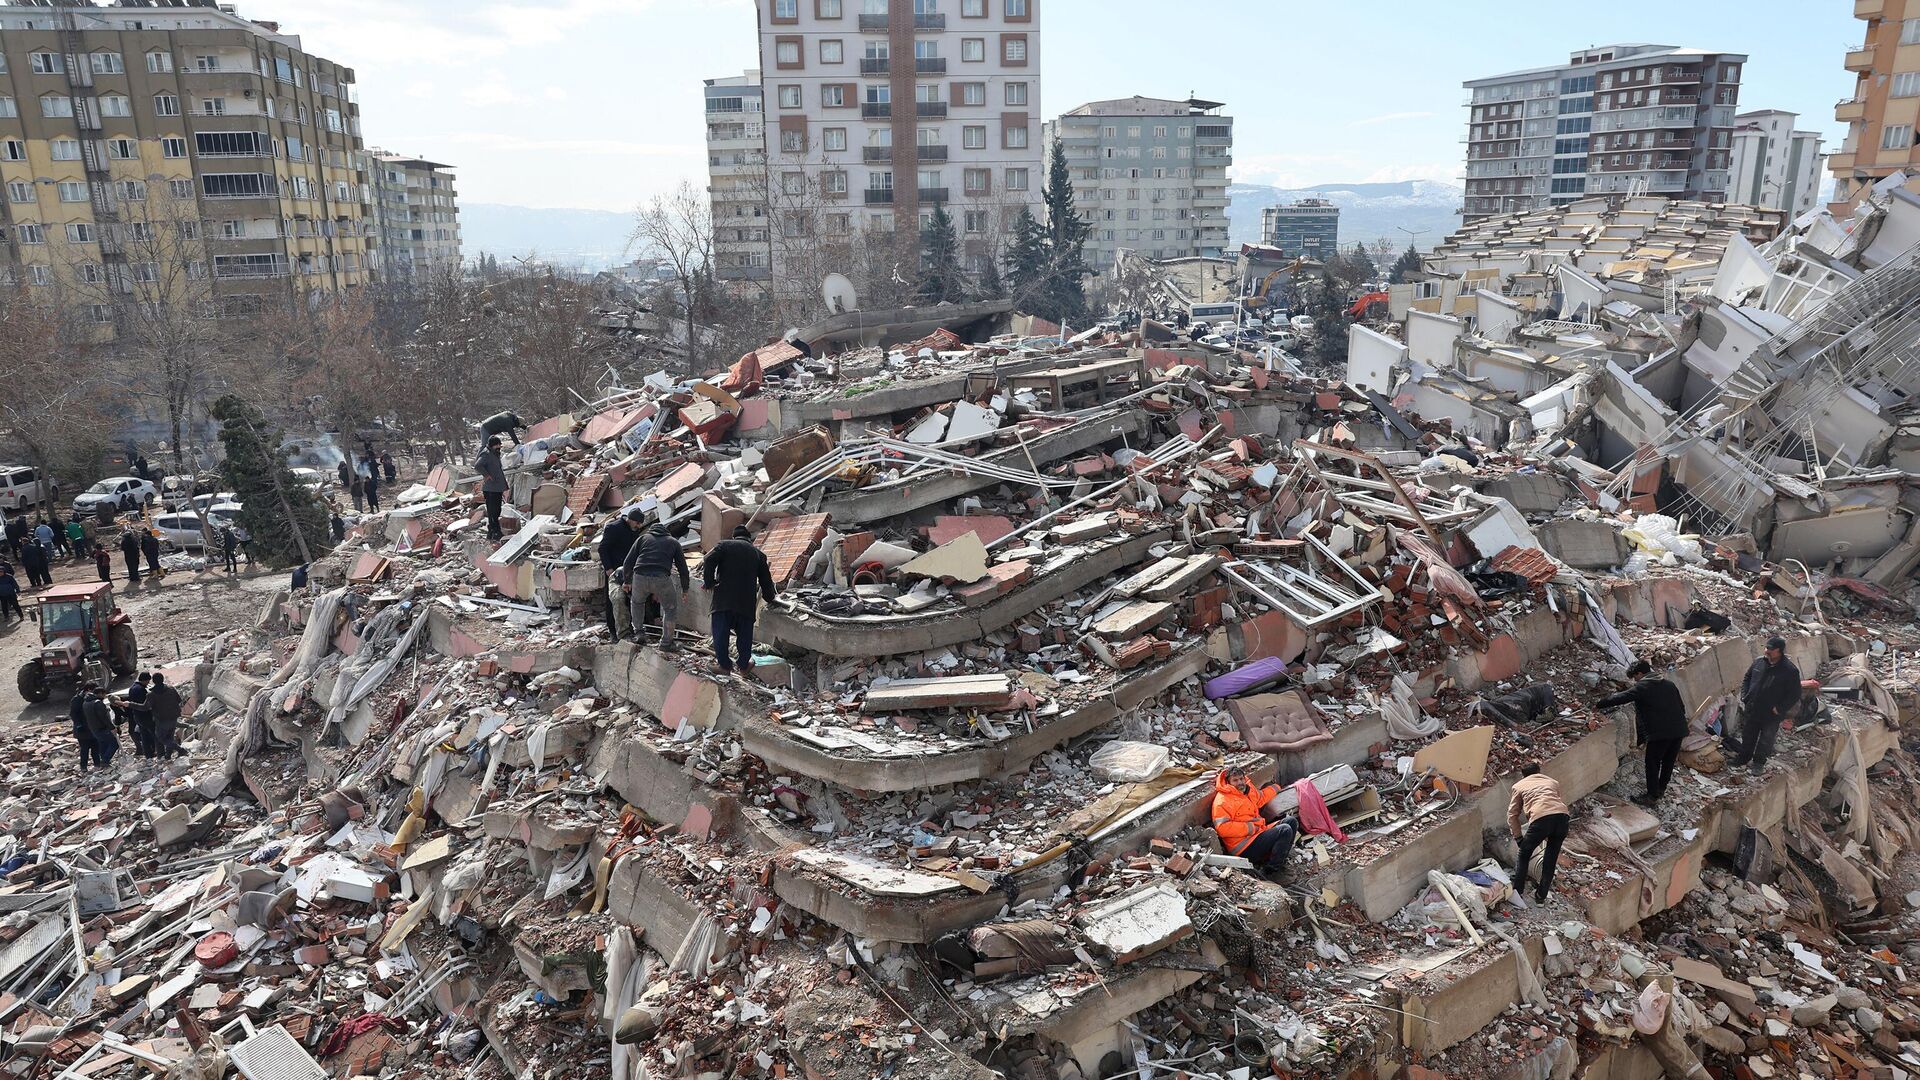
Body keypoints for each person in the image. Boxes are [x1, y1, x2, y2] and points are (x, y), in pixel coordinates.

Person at [1597, 659, 1688, 806]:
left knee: (1652, 762)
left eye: (1635, 677)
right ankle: (1661, 789)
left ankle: (1651, 796)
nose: (1635, 681)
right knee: (1668, 762)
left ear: (1640, 673)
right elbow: (1681, 707)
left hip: (1660, 733)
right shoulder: (1669, 685)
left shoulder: (1644, 686)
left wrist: (1599, 704)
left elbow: (1621, 697)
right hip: (1678, 730)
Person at [703, 525, 777, 678]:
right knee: (744, 636)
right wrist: (770, 598)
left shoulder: (724, 545)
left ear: (734, 537)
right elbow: (766, 581)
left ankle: (724, 666)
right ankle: (743, 665)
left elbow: (708, 559)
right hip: (745, 603)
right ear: (749, 539)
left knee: (721, 633)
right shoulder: (758, 555)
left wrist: (709, 583)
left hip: (724, 600)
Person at [1730, 637, 1802, 771]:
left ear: (1779, 651)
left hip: (1771, 713)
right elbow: (1747, 678)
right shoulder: (1759, 662)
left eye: (1771, 649)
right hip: (1753, 708)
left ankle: (1758, 763)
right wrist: (1745, 696)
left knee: (1766, 739)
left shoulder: (1789, 670)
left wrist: (1779, 708)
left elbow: (1795, 694)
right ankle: (1743, 758)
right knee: (1748, 735)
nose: (1767, 651)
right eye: (1766, 648)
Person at [1210, 767, 1298, 876]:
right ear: (1228, 782)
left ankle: (1276, 861)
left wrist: (1276, 787)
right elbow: (1222, 829)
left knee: (1291, 821)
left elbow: (1260, 798)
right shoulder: (1222, 801)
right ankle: (1272, 872)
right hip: (1243, 847)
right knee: (1284, 830)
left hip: (1257, 835)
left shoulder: (1246, 789)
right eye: (1235, 780)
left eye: (1241, 779)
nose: (1240, 782)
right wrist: (1251, 828)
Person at [620, 522, 689, 652]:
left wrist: (627, 581)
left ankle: (639, 633)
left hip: (639, 576)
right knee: (670, 609)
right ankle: (666, 643)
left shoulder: (643, 538)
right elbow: (683, 569)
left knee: (637, 603)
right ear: (666, 532)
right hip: (661, 578)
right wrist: (685, 589)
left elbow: (627, 562)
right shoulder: (673, 542)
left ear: (651, 531)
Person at [1508, 764, 1570, 904]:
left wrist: (1518, 837)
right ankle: (1541, 897)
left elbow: (1512, 815)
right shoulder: (1552, 782)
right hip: (1562, 818)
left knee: (1524, 854)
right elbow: (1554, 803)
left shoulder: (1519, 786)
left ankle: (1518, 892)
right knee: (1551, 858)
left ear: (1523, 775)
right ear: (1538, 772)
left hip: (1540, 819)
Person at [598, 506, 645, 640]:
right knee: (614, 601)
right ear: (631, 520)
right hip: (614, 571)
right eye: (637, 523)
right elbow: (603, 548)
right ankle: (613, 632)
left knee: (630, 600)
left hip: (629, 572)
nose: (639, 525)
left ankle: (628, 630)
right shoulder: (614, 528)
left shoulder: (634, 530)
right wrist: (608, 568)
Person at [476, 435, 509, 541]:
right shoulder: (486, 454)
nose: (499, 447)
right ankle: (495, 532)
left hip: (496, 487)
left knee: (496, 510)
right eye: (497, 445)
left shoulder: (494, 454)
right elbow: (478, 465)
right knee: (493, 511)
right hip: (491, 488)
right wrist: (486, 475)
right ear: (492, 445)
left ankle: (491, 531)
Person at [148, 673, 183, 758]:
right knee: (170, 737)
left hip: (161, 720)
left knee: (161, 738)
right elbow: (179, 700)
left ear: (153, 681)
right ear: (163, 679)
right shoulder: (171, 689)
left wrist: (130, 704)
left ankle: (180, 749)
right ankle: (168, 755)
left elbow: (146, 707)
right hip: (173, 717)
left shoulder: (151, 694)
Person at [121, 672, 155, 758]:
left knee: (144, 735)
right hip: (145, 715)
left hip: (137, 716)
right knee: (152, 734)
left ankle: (148, 754)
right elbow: (144, 705)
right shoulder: (141, 689)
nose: (148, 683)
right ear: (146, 680)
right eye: (148, 681)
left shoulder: (132, 688)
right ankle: (156, 751)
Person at [82, 684, 118, 767]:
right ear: (100, 693)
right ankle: (105, 760)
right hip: (102, 728)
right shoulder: (97, 703)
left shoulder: (85, 702)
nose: (104, 696)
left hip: (93, 728)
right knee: (114, 743)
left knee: (103, 744)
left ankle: (103, 760)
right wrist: (112, 728)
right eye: (104, 694)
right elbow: (104, 718)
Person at [71, 686, 99, 770]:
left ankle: (97, 763)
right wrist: (79, 725)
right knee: (84, 748)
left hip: (92, 727)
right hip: (82, 729)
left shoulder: (91, 698)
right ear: (88, 690)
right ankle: (83, 766)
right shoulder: (77, 700)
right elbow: (73, 714)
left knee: (95, 747)